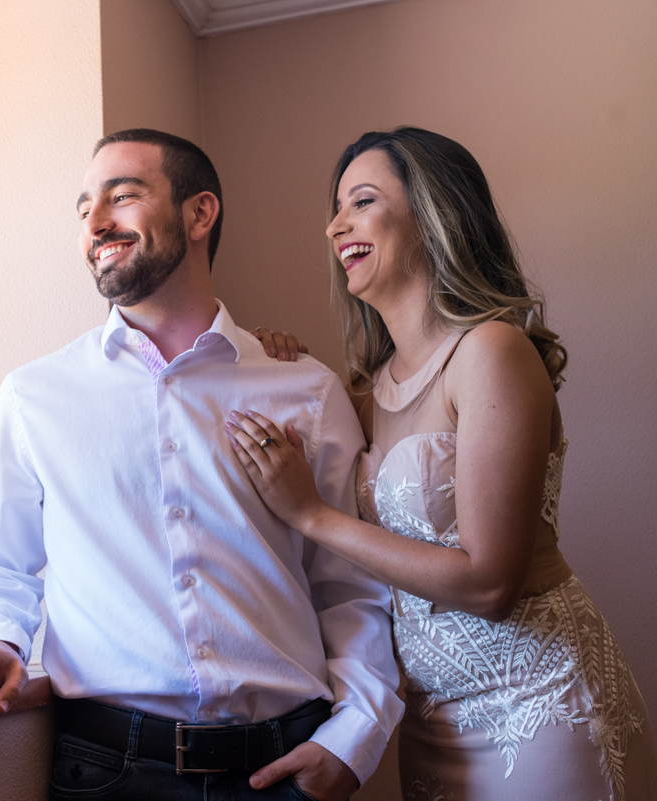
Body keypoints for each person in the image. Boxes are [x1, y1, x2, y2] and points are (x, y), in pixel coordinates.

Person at [0, 129, 403, 800]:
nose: (96, 223)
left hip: (285, 767)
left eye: (122, 196)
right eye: (84, 210)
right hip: (108, 772)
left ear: (199, 214)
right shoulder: (33, 396)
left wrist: (354, 737)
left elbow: (353, 587)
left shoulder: (305, 387)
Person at [227, 127, 657, 800]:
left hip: (536, 708)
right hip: (432, 727)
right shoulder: (368, 390)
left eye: (362, 201)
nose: (336, 225)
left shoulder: (491, 351)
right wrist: (264, 360)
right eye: (336, 208)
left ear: (432, 217)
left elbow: (491, 583)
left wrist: (311, 514)